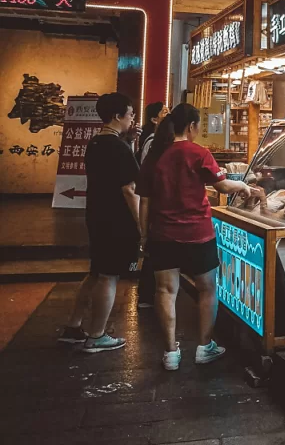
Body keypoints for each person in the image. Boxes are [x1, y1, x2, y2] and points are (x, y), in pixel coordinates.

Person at [137, 103, 251, 371]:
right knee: (207, 289)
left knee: (165, 291)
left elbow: (144, 201)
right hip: (198, 234)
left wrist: (143, 235)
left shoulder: (155, 156)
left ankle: (170, 354)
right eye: (198, 127)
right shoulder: (199, 153)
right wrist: (243, 185)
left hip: (163, 234)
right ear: (191, 127)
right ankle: (204, 347)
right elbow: (222, 185)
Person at [58, 93, 140, 352]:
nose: (133, 118)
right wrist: (141, 224)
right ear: (118, 116)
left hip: (96, 215)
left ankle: (74, 326)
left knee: (95, 273)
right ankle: (97, 335)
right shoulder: (118, 147)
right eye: (130, 114)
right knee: (109, 276)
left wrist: (129, 142)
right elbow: (129, 189)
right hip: (116, 220)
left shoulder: (96, 142)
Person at [136, 101, 168, 309]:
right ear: (154, 119)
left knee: (157, 252)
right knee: (153, 252)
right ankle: (147, 294)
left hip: (155, 203)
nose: (169, 114)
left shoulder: (161, 142)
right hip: (155, 203)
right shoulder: (153, 142)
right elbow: (149, 175)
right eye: (164, 112)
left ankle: (151, 293)